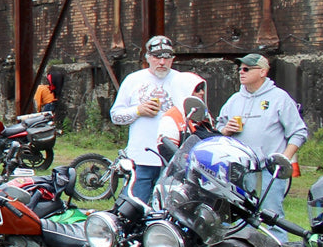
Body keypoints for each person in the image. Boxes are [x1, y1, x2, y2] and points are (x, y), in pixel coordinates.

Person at [109, 35, 200, 203]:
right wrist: (138, 110)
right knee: (135, 206)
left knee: (168, 209)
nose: (162, 62)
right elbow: (115, 116)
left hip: (174, 159)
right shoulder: (133, 80)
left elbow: (196, 117)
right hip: (141, 158)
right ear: (148, 58)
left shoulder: (183, 81)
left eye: (167, 57)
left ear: (173, 58)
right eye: (157, 57)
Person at [219, 53, 308, 221]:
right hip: (242, 169)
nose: (241, 72)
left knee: (272, 216)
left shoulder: (279, 98)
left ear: (263, 72)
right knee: (241, 216)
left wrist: (283, 159)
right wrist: (225, 130)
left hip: (270, 169)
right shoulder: (234, 100)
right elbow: (218, 128)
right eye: (240, 69)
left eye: (246, 69)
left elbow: (299, 132)